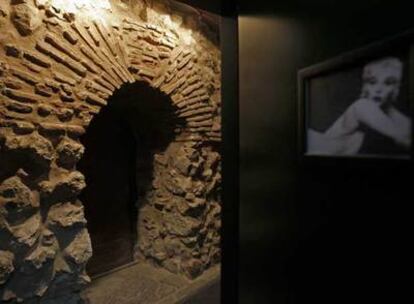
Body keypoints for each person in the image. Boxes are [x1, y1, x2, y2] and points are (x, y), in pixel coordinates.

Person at [307, 57, 411, 156]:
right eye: (372, 82)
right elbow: (402, 138)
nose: (378, 89)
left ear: (396, 87)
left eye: (388, 83)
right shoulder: (361, 105)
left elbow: (405, 126)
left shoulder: (390, 115)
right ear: (365, 86)